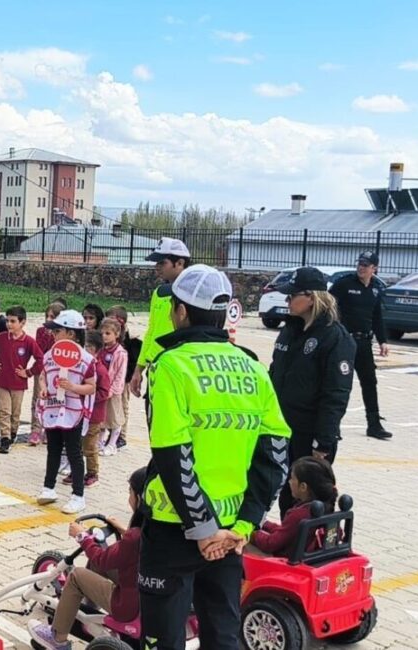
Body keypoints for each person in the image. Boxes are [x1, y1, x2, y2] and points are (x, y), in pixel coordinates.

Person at [138, 264, 291, 650]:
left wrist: (204, 531)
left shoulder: (170, 365)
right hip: (230, 533)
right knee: (223, 634)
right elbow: (274, 456)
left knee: (163, 640)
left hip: (177, 529)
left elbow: (173, 455)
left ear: (181, 311)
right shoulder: (254, 368)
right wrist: (242, 527)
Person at [28, 467, 148, 650]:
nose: (129, 498)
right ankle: (79, 607)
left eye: (130, 493)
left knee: (77, 575)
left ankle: (57, 638)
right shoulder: (158, 529)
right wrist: (124, 530)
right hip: (149, 594)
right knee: (97, 557)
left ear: (139, 498)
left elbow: (102, 558)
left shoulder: (135, 537)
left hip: (130, 605)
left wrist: (82, 537)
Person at [269, 266, 355, 516]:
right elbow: (274, 374)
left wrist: (323, 442)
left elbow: (336, 393)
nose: (287, 301)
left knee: (312, 504)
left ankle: (316, 548)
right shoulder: (289, 330)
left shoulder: (334, 337)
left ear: (311, 297)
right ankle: (290, 546)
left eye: (292, 295)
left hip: (311, 434)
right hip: (283, 429)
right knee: (288, 495)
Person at [36, 309, 96, 514]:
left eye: (57, 330)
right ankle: (48, 488)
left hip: (73, 411)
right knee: (52, 450)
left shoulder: (86, 359)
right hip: (52, 408)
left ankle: (78, 496)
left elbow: (91, 386)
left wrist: (73, 388)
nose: (53, 334)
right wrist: (44, 388)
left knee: (74, 453)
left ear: (71, 333)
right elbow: (43, 376)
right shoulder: (49, 355)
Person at [330, 251, 393, 440]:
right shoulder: (344, 284)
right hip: (345, 342)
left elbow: (377, 317)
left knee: (370, 383)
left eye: (366, 265)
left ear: (375, 268)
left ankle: (374, 425)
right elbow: (328, 305)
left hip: (364, 342)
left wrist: (383, 340)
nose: (361, 268)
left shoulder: (375, 289)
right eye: (360, 264)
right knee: (340, 384)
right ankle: (332, 427)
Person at [130, 237, 191, 400]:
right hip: (156, 367)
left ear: (179, 263)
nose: (157, 268)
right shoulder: (160, 293)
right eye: (156, 263)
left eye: (162, 263)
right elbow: (151, 331)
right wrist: (139, 368)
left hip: (180, 369)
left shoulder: (195, 294)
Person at [251, 457, 338, 557]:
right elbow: (286, 531)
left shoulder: (300, 515)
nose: (289, 481)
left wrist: (251, 533)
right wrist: (264, 523)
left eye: (292, 478)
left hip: (287, 562)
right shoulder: (327, 508)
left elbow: (270, 543)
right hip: (314, 559)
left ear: (303, 487)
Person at [0, 305, 42, 454]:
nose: (9, 324)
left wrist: (28, 372)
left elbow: (40, 359)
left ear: (22, 322)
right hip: (2, 381)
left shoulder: (29, 341)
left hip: (18, 383)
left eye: (13, 321)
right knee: (4, 410)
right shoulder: (1, 337)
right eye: (8, 321)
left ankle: (13, 433)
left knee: (15, 413)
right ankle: (4, 438)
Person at [71, 330, 108, 489]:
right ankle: (76, 470)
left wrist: (88, 396)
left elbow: (105, 392)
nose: (84, 350)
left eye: (87, 347)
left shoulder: (100, 370)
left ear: (95, 349)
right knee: (76, 444)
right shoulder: (82, 366)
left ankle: (92, 473)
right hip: (79, 413)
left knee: (90, 446)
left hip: (93, 416)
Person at [105, 305, 141, 450]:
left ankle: (122, 435)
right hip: (109, 379)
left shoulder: (130, 342)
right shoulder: (107, 338)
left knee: (122, 406)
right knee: (111, 408)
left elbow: (132, 362)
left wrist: (127, 379)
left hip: (123, 380)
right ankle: (111, 432)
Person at [28, 301, 63, 446]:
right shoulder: (41, 331)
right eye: (47, 316)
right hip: (43, 369)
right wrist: (47, 334)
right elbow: (40, 350)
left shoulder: (62, 334)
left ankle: (51, 429)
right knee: (38, 398)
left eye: (52, 317)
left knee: (55, 399)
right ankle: (36, 429)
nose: (48, 319)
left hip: (58, 371)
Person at [98, 317, 129, 455]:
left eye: (108, 333)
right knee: (102, 419)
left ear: (116, 334)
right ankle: (99, 442)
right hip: (101, 389)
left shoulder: (120, 353)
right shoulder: (101, 350)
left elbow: (120, 375)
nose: (104, 336)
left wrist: (112, 390)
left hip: (112, 392)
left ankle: (112, 444)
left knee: (114, 418)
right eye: (102, 333)